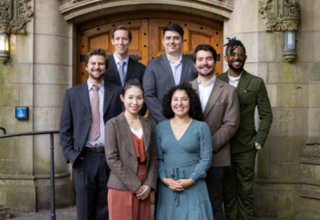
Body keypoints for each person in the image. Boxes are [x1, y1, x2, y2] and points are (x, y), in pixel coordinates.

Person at [59, 48, 122, 220]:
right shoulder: (72, 93)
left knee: (105, 207)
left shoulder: (117, 92)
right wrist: (71, 155)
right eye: (93, 63)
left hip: (109, 158)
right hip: (83, 158)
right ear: (86, 66)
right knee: (84, 208)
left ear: (106, 67)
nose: (97, 67)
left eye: (100, 63)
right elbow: (64, 129)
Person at [218, 37, 273, 220]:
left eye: (240, 54)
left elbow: (266, 115)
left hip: (246, 147)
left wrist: (258, 142)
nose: (236, 57)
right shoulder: (217, 81)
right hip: (223, 147)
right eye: (232, 54)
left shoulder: (256, 82)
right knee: (228, 191)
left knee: (246, 191)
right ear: (226, 58)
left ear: (245, 57)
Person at [190, 44, 240, 220]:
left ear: (215, 62)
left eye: (209, 59)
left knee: (214, 204)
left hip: (217, 157)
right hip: (190, 156)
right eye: (201, 59)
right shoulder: (184, 90)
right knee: (191, 204)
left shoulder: (229, 91)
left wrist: (207, 147)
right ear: (195, 63)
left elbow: (231, 124)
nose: (205, 63)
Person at [155, 83, 214, 220]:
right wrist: (164, 179)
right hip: (168, 186)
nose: (179, 103)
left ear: (191, 102)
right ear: (170, 102)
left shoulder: (201, 127)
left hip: (194, 184)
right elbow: (158, 158)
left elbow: (206, 159)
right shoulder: (160, 128)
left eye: (184, 99)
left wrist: (191, 180)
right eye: (175, 99)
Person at [105, 79, 158, 220]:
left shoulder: (148, 124)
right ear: (122, 98)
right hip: (121, 183)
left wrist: (149, 183)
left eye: (139, 98)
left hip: (144, 186)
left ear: (144, 99)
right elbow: (112, 158)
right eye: (130, 97)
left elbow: (154, 157)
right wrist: (135, 185)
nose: (135, 102)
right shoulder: (113, 124)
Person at [143, 22, 198, 126]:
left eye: (176, 38)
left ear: (182, 41)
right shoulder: (153, 65)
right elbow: (149, 96)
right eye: (168, 38)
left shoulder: (193, 65)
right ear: (163, 41)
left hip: (188, 122)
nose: (172, 41)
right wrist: (167, 121)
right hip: (160, 123)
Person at [104, 25, 147, 115]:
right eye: (117, 39)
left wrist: (139, 115)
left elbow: (145, 94)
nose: (121, 42)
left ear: (130, 41)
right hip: (109, 119)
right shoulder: (104, 66)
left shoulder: (141, 68)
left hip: (134, 117)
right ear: (112, 41)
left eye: (124, 39)